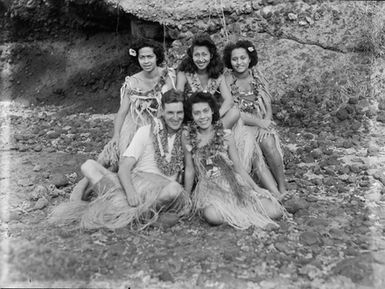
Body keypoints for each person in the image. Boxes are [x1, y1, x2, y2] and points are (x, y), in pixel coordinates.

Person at [49, 90, 191, 229]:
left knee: (174, 189)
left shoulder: (186, 136)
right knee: (88, 166)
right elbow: (124, 168)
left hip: (160, 190)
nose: (175, 117)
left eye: (179, 112)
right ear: (162, 112)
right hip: (135, 183)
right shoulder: (146, 130)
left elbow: (190, 170)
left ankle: (127, 211)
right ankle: (136, 212)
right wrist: (130, 193)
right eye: (171, 112)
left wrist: (188, 199)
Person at [71, 38, 176, 201]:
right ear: (137, 59)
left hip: (163, 122)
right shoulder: (132, 81)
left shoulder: (167, 75)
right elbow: (122, 112)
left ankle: (149, 189)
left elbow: (173, 100)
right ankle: (87, 186)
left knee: (155, 163)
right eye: (142, 58)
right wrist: (116, 136)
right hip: (137, 125)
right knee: (119, 162)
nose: (146, 61)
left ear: (157, 57)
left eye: (150, 57)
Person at [183, 91, 284, 230]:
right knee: (212, 215)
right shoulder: (188, 136)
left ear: (212, 111)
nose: (202, 117)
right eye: (197, 113)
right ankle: (240, 214)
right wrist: (187, 198)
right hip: (209, 188)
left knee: (275, 211)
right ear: (192, 115)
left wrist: (256, 188)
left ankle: (239, 212)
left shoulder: (225, 135)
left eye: (205, 111)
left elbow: (239, 168)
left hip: (233, 182)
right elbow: (189, 169)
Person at [223, 40, 287, 200]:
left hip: (260, 122)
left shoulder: (258, 77)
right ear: (229, 61)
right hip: (241, 125)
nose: (239, 62)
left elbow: (267, 104)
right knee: (252, 145)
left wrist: (266, 122)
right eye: (235, 59)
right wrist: (260, 124)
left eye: (243, 58)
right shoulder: (227, 80)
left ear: (250, 58)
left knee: (269, 142)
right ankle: (272, 192)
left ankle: (282, 187)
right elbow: (234, 111)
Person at [176, 33, 239, 129]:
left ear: (211, 55)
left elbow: (229, 101)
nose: (201, 59)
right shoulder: (184, 74)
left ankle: (213, 135)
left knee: (235, 112)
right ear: (191, 56)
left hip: (210, 120)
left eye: (204, 54)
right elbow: (178, 100)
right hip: (191, 119)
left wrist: (214, 118)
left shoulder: (218, 75)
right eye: (197, 55)